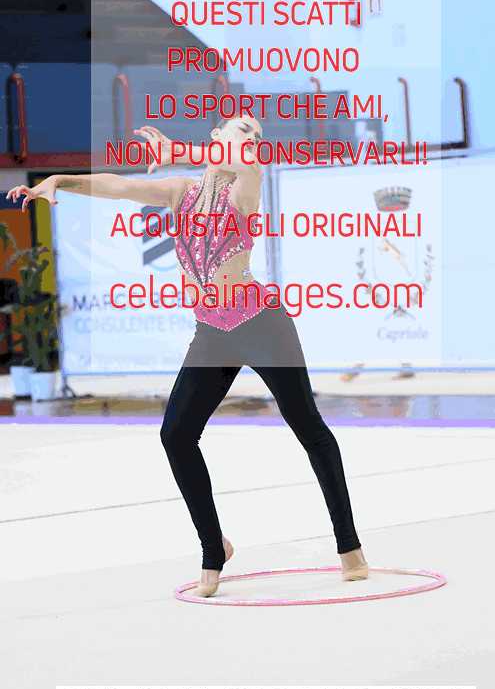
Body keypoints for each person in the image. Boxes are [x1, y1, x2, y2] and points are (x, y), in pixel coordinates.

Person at [7, 114, 368, 597]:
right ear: (216, 135)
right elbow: (118, 187)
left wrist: (177, 149)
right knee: (175, 434)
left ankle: (349, 545)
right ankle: (214, 548)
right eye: (244, 129)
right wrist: (59, 180)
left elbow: (240, 161)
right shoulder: (181, 192)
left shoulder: (247, 183)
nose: (254, 138)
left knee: (309, 428)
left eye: (259, 135)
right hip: (212, 332)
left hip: (263, 325)